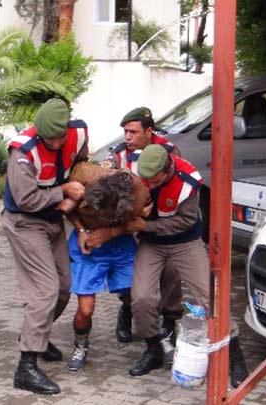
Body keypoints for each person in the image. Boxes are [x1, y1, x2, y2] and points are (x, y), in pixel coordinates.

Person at [126, 144, 249, 387]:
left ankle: (235, 355)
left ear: (166, 170)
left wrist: (145, 225)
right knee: (141, 298)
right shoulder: (136, 165)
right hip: (151, 244)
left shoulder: (188, 181)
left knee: (209, 296)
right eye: (145, 179)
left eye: (153, 180)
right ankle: (153, 349)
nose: (147, 184)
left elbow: (185, 222)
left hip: (185, 242)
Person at [2, 98, 87, 394]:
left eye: (58, 137)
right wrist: (63, 191)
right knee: (45, 290)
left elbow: (80, 163)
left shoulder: (78, 133)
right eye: (47, 138)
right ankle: (26, 367)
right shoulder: (22, 152)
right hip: (25, 221)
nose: (54, 143)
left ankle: (36, 334)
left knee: (64, 286)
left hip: (53, 221)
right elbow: (26, 199)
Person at [104, 107, 184, 362]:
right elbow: (109, 184)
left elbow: (176, 183)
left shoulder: (169, 151)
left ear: (149, 132)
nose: (127, 137)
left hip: (161, 218)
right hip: (129, 219)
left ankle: (169, 323)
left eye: (133, 132)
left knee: (171, 272)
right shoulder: (119, 153)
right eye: (125, 131)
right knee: (128, 268)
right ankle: (127, 307)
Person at [62, 162, 150, 371]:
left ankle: (126, 312)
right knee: (86, 309)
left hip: (120, 244)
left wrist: (111, 232)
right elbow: (67, 209)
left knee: (136, 296)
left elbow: (138, 220)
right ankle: (81, 345)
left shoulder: (137, 191)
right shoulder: (83, 175)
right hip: (88, 245)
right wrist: (82, 230)